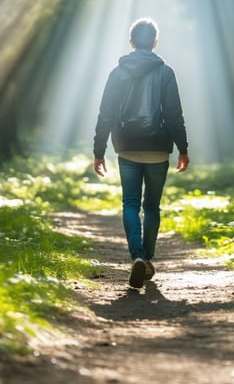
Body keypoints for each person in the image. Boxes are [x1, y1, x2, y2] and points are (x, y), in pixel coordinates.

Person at [93, 18, 190, 289]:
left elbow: (105, 114)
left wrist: (98, 151)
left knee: (130, 204)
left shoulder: (117, 73)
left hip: (127, 146)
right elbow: (174, 115)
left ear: (131, 42)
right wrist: (183, 149)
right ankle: (147, 259)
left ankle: (137, 255)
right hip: (159, 149)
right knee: (152, 207)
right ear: (155, 42)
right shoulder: (166, 72)